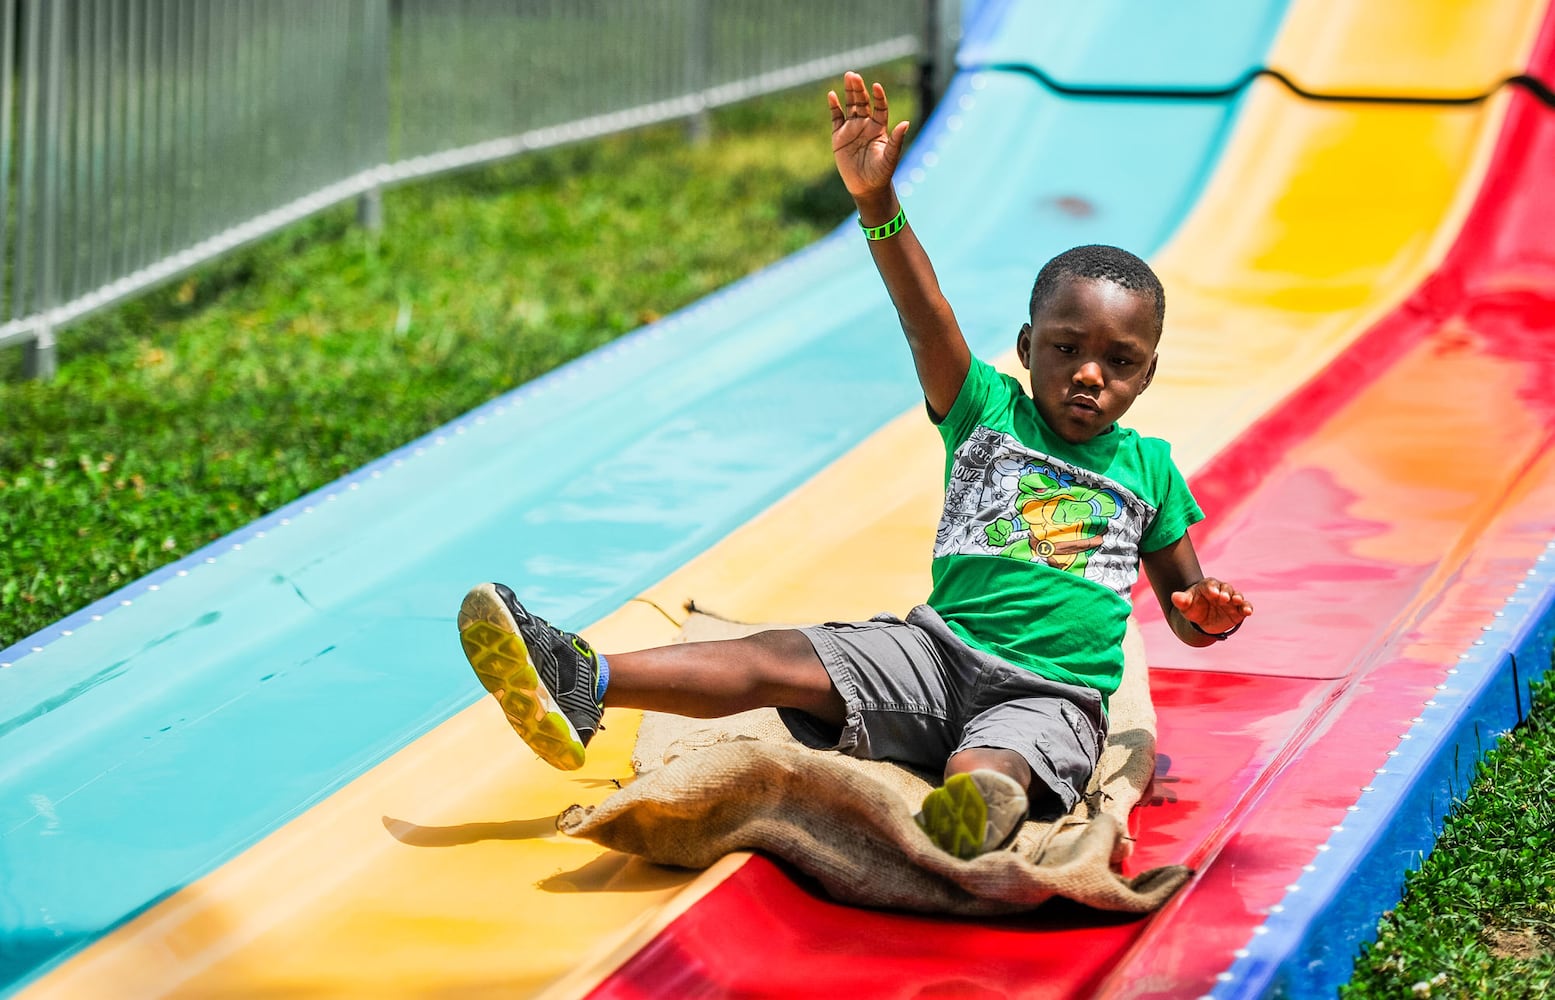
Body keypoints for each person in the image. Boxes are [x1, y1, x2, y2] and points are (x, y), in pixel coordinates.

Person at [456, 71, 1253, 861]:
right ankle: (580, 679)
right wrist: (876, 204)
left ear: (1146, 375)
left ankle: (968, 809)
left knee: (996, 759)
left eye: (1119, 360)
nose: (1088, 373)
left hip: (1050, 694)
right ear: (1026, 349)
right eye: (1067, 349)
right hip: (935, 654)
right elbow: (925, 314)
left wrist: (1203, 614)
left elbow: (1183, 606)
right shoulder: (986, 409)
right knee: (775, 657)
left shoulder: (1149, 470)